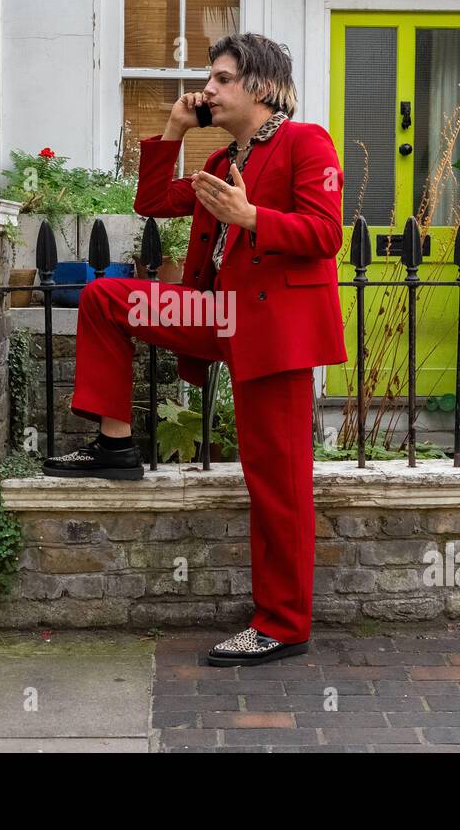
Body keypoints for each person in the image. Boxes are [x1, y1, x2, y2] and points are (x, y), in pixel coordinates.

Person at [42, 32, 347, 666]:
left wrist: (250, 217)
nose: (207, 89)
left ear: (259, 87)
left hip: (271, 332)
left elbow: (324, 235)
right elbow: (151, 201)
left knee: (277, 482)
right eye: (208, 80)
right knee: (105, 298)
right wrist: (174, 128)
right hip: (214, 314)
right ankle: (116, 443)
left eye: (221, 79)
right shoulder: (218, 161)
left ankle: (284, 623)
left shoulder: (304, 142)